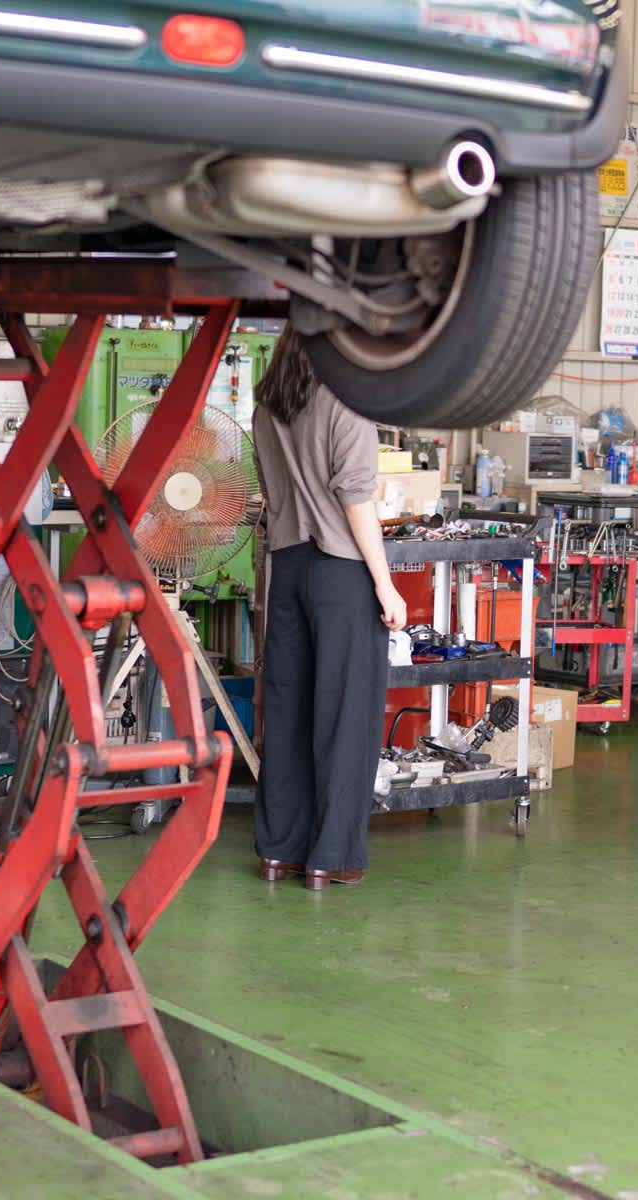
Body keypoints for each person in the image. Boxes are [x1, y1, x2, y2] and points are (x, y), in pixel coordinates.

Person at [251, 329, 408, 890]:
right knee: (345, 716)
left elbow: (271, 494)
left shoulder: (266, 405)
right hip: (340, 571)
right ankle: (330, 855)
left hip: (286, 567)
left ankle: (280, 850)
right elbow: (356, 497)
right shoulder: (349, 404)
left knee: (289, 711)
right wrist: (386, 586)